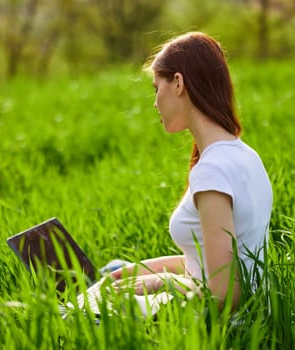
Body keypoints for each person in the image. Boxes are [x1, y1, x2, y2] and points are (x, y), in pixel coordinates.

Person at [110, 32, 273, 311]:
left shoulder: (212, 171)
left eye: (155, 89)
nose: (154, 102)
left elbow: (225, 295)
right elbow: (211, 261)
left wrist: (161, 281)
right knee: (112, 269)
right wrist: (140, 271)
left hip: (212, 322)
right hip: (239, 309)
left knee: (59, 315)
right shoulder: (244, 154)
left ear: (177, 83)